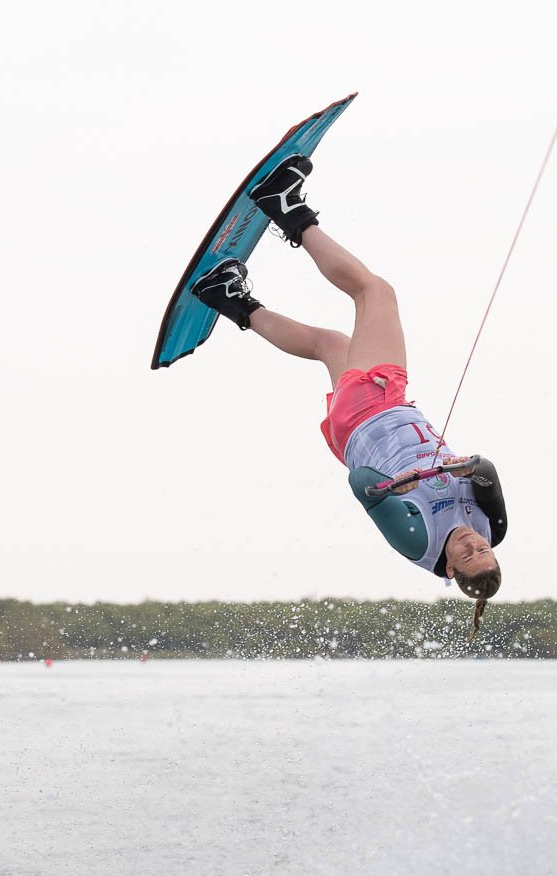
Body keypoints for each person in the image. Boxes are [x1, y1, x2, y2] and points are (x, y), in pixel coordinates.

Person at [191, 156, 508, 637]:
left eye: (466, 555)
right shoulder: (492, 529)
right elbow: (487, 473)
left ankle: (287, 209)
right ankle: (226, 296)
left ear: (448, 569)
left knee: (374, 292)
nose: (472, 543)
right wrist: (470, 468)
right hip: (369, 421)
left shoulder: (418, 540)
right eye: (481, 550)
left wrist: (393, 488)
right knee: (331, 344)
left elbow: (361, 484)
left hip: (373, 413)